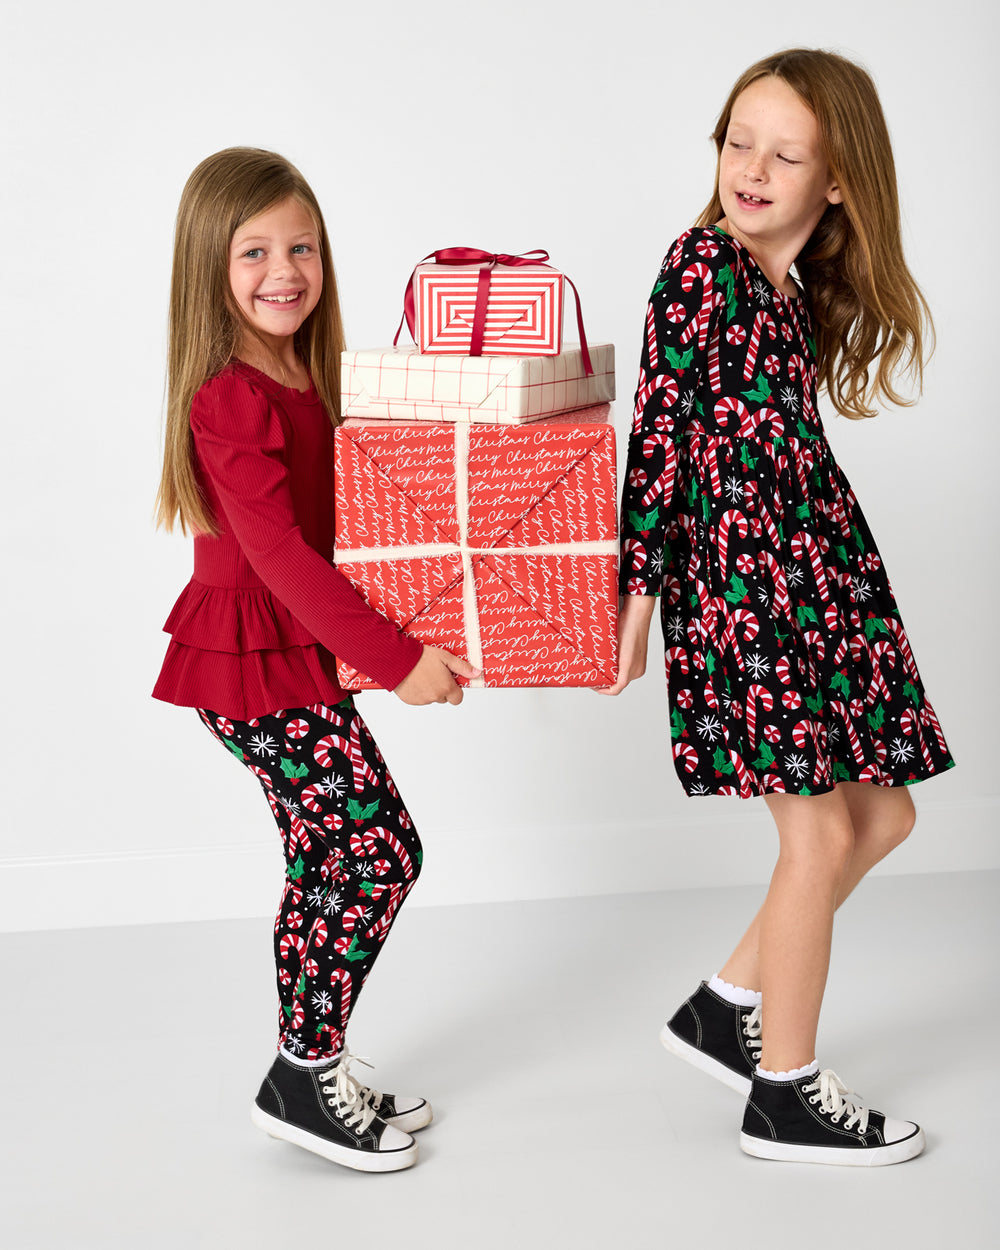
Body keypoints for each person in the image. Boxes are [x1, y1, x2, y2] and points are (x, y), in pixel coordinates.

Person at [600, 49, 954, 1165]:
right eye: (735, 141)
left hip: (817, 584)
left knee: (882, 814)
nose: (748, 168)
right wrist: (639, 591)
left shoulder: (784, 295)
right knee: (814, 831)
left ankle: (726, 1004)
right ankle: (784, 1088)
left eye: (783, 152)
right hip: (744, 588)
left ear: (836, 177)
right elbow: (660, 430)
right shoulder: (701, 264)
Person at [153, 147, 478, 1173]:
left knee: (335, 854)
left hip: (295, 648)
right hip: (245, 659)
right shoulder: (228, 396)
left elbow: (340, 531)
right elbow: (277, 554)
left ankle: (312, 1055)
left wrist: (372, 638)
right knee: (374, 853)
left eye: (301, 245)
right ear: (210, 267)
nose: (282, 269)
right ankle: (303, 1068)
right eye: (253, 251)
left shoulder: (305, 374)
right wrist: (392, 652)